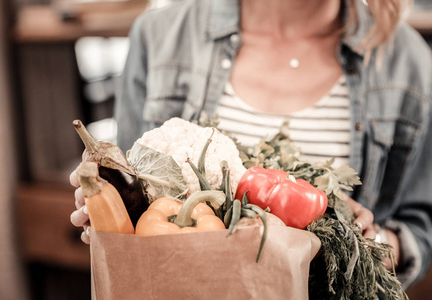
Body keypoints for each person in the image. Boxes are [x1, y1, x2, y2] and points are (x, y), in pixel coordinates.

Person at [70, 0, 432, 289]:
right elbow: (133, 195)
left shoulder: (408, 61)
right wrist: (103, 206)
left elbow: (421, 224)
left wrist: (371, 244)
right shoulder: (159, 35)